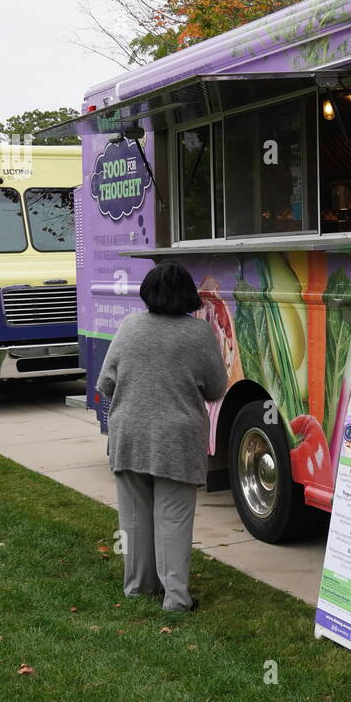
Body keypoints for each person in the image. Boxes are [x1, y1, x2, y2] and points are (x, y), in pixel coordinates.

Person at [96, 261, 226, 611]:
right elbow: (216, 388)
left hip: (129, 434)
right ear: (188, 295)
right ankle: (176, 598)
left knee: (134, 518)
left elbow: (105, 384)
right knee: (173, 519)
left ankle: (138, 588)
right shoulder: (199, 334)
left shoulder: (129, 327)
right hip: (178, 440)